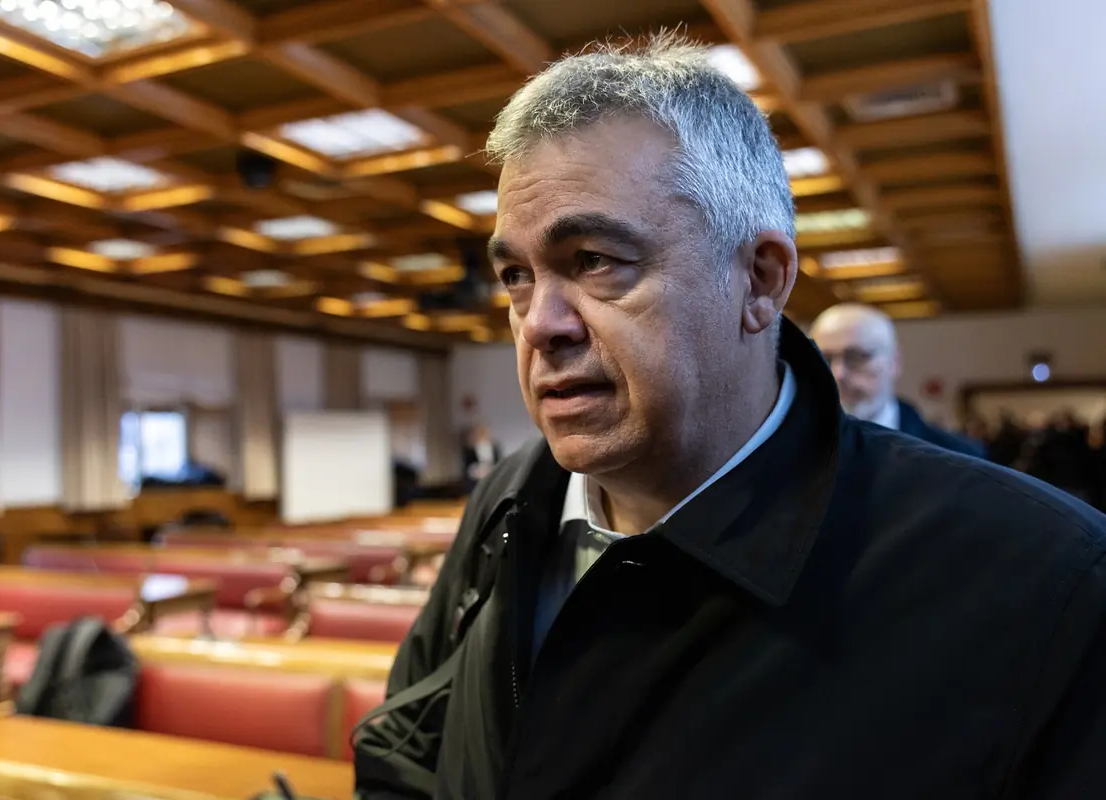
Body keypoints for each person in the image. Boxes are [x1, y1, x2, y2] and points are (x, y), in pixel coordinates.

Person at [353, 35, 1106, 799]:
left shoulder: (1040, 578)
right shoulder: (513, 497)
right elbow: (411, 746)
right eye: (516, 275)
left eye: (595, 260)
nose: (540, 323)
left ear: (760, 280)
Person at [808, 303, 984, 456]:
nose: (838, 373)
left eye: (857, 356)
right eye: (823, 358)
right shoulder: (787, 448)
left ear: (894, 361)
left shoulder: (958, 456)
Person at [460, 424, 501, 492]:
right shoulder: (469, 450)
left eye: (484, 433)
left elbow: (499, 463)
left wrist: (490, 470)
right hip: (475, 482)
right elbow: (466, 468)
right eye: (479, 433)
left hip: (492, 480)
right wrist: (478, 471)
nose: (482, 435)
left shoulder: (494, 448)